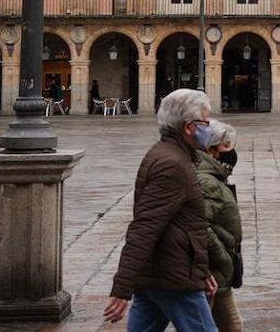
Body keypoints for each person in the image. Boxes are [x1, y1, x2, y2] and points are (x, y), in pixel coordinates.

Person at [104, 88, 217, 332]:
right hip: (173, 279)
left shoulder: (168, 154)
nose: (210, 129)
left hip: (157, 274)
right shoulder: (172, 164)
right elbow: (144, 227)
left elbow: (182, 224)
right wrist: (122, 288)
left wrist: (202, 270)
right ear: (189, 127)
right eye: (206, 122)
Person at [196, 120, 243, 332]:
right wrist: (221, 257)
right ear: (210, 148)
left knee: (233, 328)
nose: (231, 151)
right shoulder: (207, 181)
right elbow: (199, 225)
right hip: (213, 270)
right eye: (225, 146)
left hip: (220, 271)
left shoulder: (216, 176)